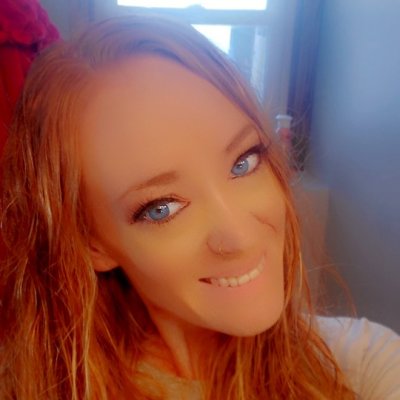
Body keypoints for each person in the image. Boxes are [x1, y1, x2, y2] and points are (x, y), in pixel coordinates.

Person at [0, 15, 399, 400]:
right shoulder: (29, 386)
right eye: (161, 208)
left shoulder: (362, 364)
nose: (241, 238)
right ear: (92, 242)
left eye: (244, 162)